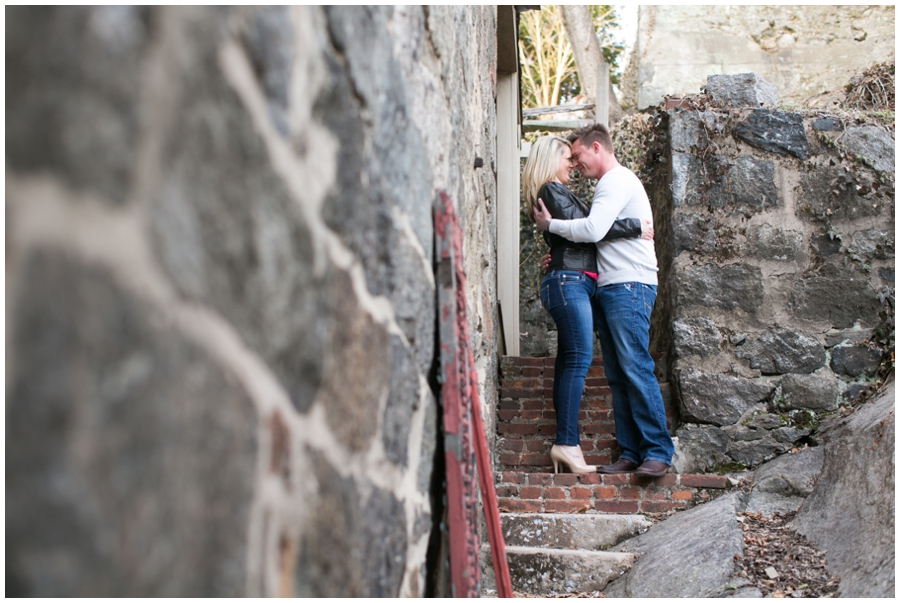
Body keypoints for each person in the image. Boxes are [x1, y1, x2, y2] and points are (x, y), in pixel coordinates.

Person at [534, 124, 675, 478]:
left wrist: (551, 228)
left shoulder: (615, 181)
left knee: (635, 366)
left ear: (597, 147)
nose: (576, 163)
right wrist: (560, 252)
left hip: (629, 284)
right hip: (610, 286)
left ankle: (657, 450)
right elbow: (591, 232)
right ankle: (630, 450)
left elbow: (593, 229)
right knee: (616, 373)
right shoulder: (604, 186)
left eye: (578, 155)